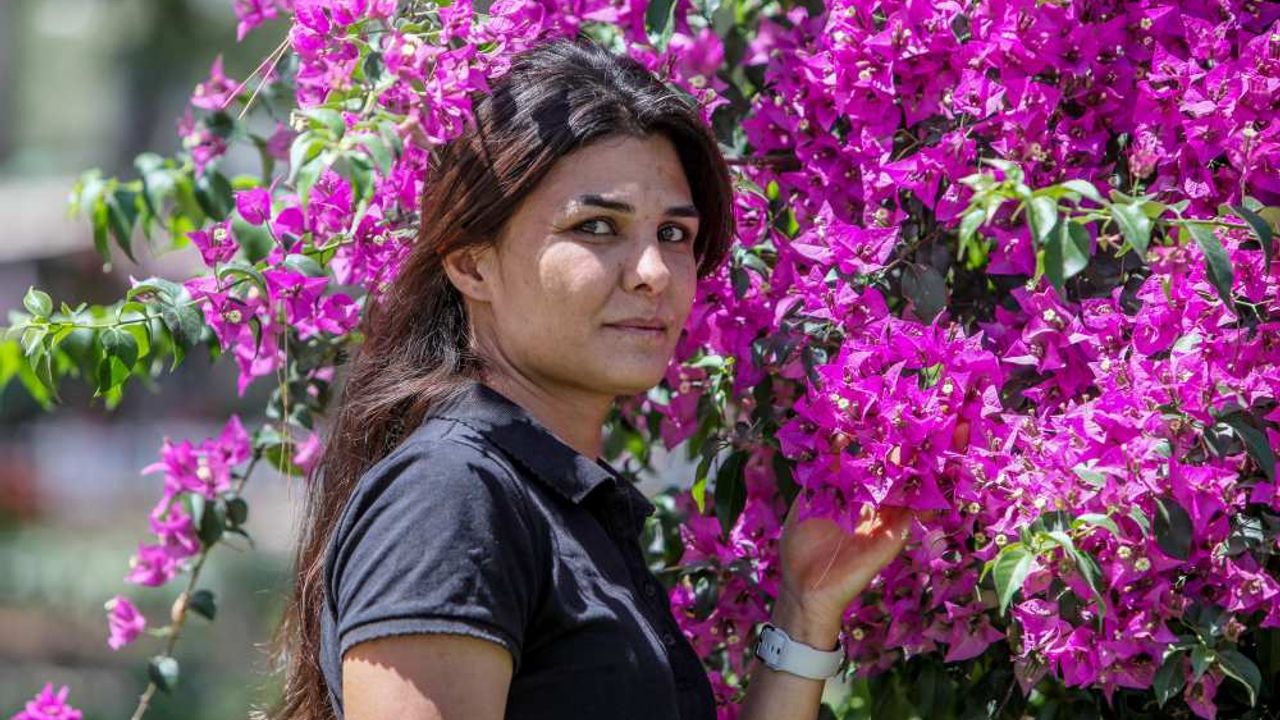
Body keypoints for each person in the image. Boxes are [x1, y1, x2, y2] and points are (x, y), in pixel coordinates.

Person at [262, 35, 914, 720]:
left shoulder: (555, 502)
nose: (654, 273)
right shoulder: (450, 497)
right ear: (471, 263)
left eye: (673, 235)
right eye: (597, 226)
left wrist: (805, 608)